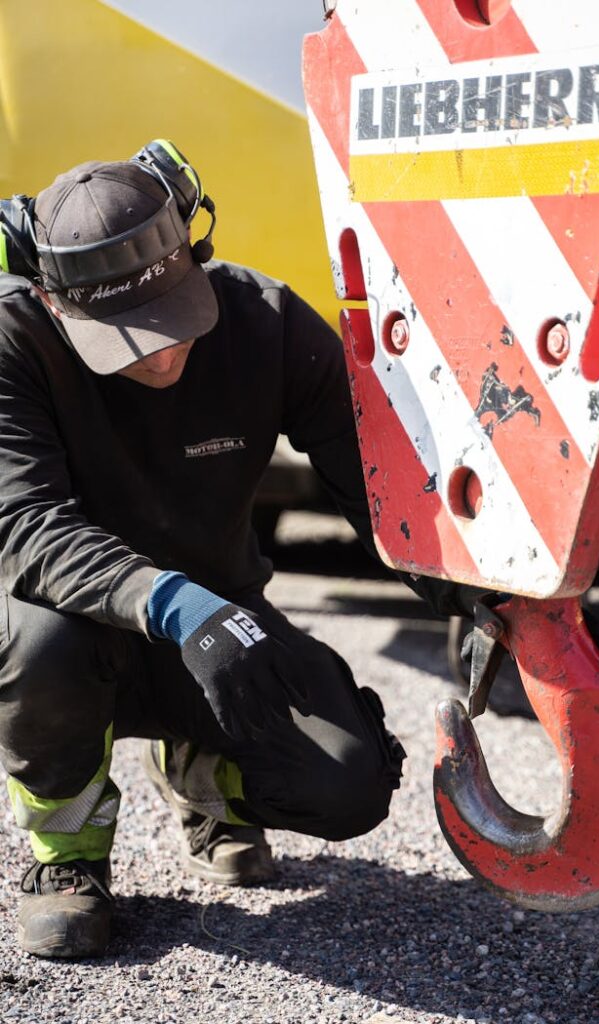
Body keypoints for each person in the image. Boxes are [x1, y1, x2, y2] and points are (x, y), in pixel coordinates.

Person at [0, 141, 472, 960]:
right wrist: (176, 606)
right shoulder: (14, 343)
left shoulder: (267, 323)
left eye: (171, 319)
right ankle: (67, 855)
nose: (160, 351)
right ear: (53, 297)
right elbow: (24, 525)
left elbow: (379, 484)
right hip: (77, 624)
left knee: (348, 783)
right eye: (126, 337)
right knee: (39, 643)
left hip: (217, 619)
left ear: (196, 253)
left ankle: (203, 774)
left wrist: (484, 598)